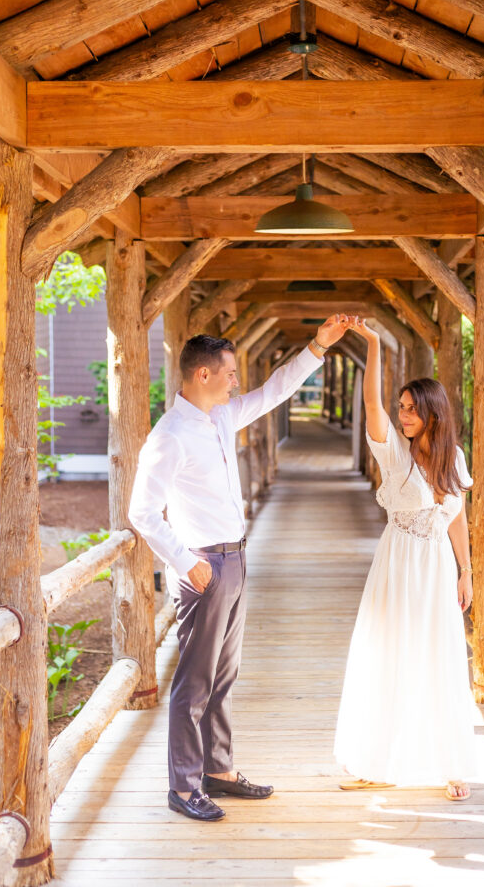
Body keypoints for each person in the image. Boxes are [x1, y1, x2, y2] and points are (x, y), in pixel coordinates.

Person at [129, 315, 350, 822]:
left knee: (224, 676)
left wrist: (317, 345)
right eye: (229, 373)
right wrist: (185, 562)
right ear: (203, 375)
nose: (236, 381)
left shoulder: (222, 417)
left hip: (237, 557)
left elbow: (274, 391)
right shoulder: (170, 436)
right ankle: (183, 787)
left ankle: (218, 770)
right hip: (204, 566)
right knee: (194, 683)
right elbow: (141, 512)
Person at [334, 317, 476, 801]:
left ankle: (452, 764)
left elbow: (457, 516)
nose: (403, 415)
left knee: (440, 656)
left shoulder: (453, 458)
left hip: (437, 569)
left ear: (434, 412)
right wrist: (372, 342)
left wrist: (466, 570)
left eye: (412, 409)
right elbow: (371, 402)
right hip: (398, 565)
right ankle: (376, 760)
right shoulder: (395, 454)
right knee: (389, 653)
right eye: (402, 407)